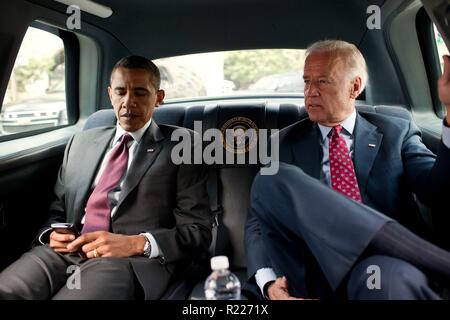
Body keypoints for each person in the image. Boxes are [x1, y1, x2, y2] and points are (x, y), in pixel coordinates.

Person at [245, 40, 450, 300]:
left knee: (387, 280)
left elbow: (437, 189)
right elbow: (257, 225)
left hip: (380, 266)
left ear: (355, 87)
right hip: (312, 271)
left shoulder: (395, 132)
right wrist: (269, 283)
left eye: (322, 82)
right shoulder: (280, 144)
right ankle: (437, 261)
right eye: (307, 81)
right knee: (268, 181)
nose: (310, 92)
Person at [0, 56, 212, 299]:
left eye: (141, 93)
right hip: (63, 252)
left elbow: (198, 232)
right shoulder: (81, 142)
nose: (128, 102)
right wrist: (51, 234)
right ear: (110, 94)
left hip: (127, 260)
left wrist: (135, 243)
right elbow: (57, 211)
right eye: (120, 92)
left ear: (159, 97)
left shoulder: (183, 146)